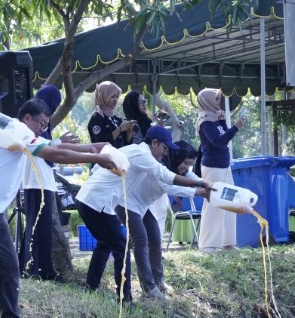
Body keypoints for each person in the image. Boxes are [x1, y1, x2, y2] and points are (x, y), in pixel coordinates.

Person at [0, 98, 118, 318]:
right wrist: (96, 157)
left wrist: (92, 148)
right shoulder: (17, 130)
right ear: (27, 118)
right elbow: (55, 153)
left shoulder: (22, 135)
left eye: (45, 126)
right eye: (41, 124)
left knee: (10, 268)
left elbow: (56, 148)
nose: (43, 129)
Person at [76, 125, 210, 301]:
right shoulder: (143, 155)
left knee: (110, 243)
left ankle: (92, 286)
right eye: (164, 147)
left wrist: (201, 182)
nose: (165, 152)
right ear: (154, 143)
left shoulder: (138, 152)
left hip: (98, 199)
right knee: (124, 246)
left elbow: (183, 176)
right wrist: (199, 188)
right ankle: (131, 297)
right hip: (103, 201)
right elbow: (166, 180)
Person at [18, 85, 68, 283]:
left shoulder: (43, 126)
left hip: (43, 181)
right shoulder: (30, 128)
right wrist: (58, 142)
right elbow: (41, 146)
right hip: (35, 181)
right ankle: (38, 269)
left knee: (39, 227)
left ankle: (31, 266)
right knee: (38, 228)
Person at [195, 88, 246, 252]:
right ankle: (208, 244)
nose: (218, 102)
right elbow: (218, 141)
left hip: (224, 165)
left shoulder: (215, 119)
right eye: (216, 99)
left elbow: (223, 134)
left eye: (218, 99)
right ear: (207, 101)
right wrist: (236, 127)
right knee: (214, 203)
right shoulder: (205, 121)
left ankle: (227, 242)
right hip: (213, 166)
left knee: (230, 202)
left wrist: (224, 121)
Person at [87, 81, 128, 147]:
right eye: (112, 97)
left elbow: (125, 143)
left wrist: (130, 131)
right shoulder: (97, 118)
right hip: (106, 156)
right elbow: (100, 143)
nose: (115, 100)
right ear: (103, 96)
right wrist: (119, 129)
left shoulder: (115, 118)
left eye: (117, 97)